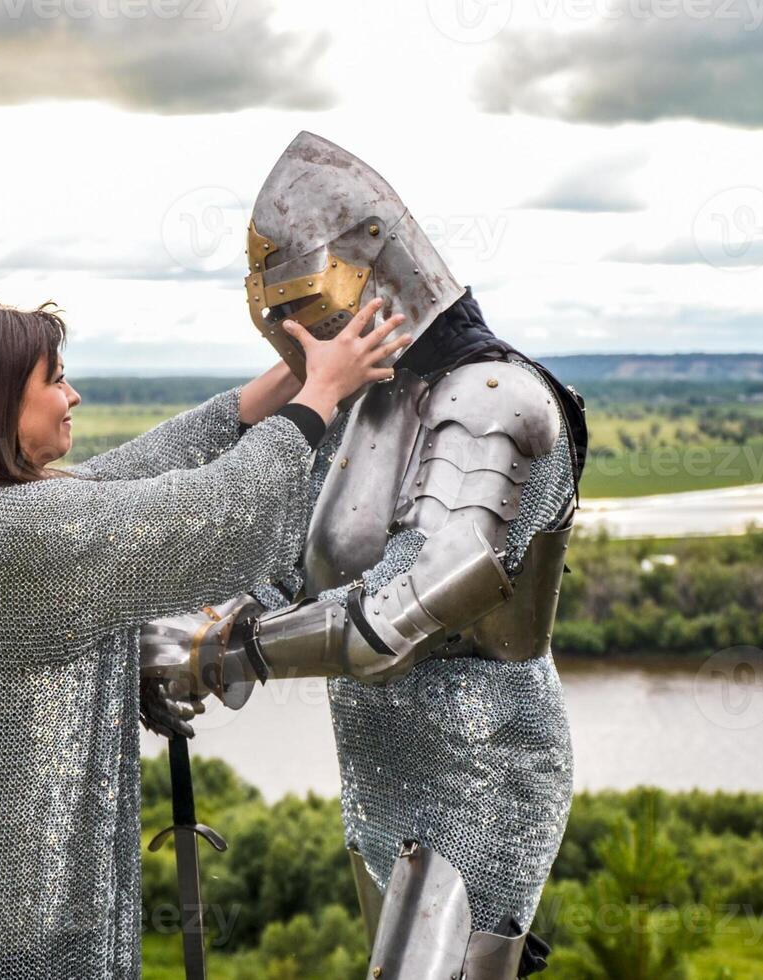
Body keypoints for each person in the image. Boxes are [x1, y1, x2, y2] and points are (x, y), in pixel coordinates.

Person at [139, 132, 589, 979]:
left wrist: (215, 655)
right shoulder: (361, 411)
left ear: (380, 271)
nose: (296, 332)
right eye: (279, 313)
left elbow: (393, 615)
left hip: (480, 766)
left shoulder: (496, 402)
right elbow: (281, 569)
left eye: (309, 303)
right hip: (378, 764)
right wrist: (178, 634)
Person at [0, 295, 410, 978]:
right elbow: (215, 512)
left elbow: (145, 464)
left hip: (23, 910)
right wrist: (321, 395)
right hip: (32, 934)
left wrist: (296, 366)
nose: (71, 395)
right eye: (53, 380)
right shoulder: (17, 531)